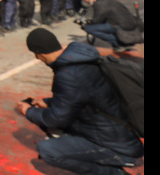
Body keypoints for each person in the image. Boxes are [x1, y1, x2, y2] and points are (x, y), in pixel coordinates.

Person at [18, 28, 144, 174]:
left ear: (38, 53)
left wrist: (28, 111)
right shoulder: (80, 59)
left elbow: (56, 119)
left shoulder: (69, 74)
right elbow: (79, 97)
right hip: (118, 132)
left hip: (115, 144)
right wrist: (47, 102)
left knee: (48, 150)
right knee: (55, 126)